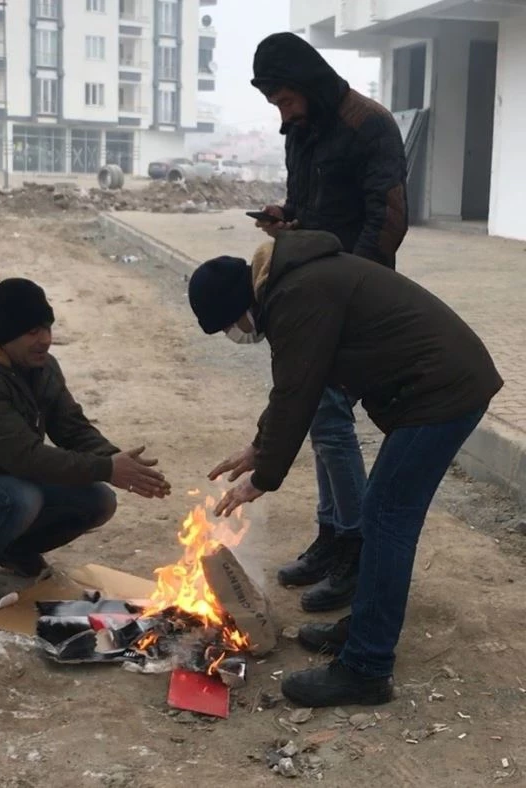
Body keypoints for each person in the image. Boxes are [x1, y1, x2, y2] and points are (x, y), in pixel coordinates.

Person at [188, 231, 502, 707]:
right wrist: (258, 447)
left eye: (229, 324)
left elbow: (296, 392)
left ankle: (366, 667)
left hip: (441, 391)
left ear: (240, 304)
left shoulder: (299, 294)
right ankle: (365, 628)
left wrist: (262, 478)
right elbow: (301, 383)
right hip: (433, 387)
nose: (237, 334)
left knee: (385, 519)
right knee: (381, 515)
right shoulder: (296, 285)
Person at [247, 32, 410, 613]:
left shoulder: (371, 124)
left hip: (352, 293)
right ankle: (332, 535)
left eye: (287, 101)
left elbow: (387, 219)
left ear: (309, 84)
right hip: (316, 284)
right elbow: (308, 207)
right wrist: (285, 218)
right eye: (276, 106)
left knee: (332, 420)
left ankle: (354, 549)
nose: (284, 114)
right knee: (321, 418)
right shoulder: (304, 129)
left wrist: (350, 286)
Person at [0, 278, 171, 616]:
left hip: (7, 486)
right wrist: (108, 469)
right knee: (18, 497)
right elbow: (26, 459)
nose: (45, 339)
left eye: (47, 327)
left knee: (97, 499)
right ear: (6, 334)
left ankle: (10, 550)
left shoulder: (42, 368)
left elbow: (72, 428)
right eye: (32, 331)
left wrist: (116, 461)